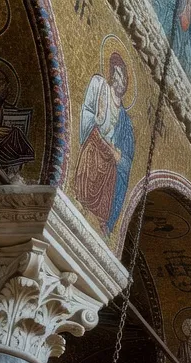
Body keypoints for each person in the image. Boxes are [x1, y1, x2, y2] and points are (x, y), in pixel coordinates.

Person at [74, 52, 135, 232]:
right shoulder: (100, 87)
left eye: (122, 77)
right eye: (116, 76)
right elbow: (88, 112)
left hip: (109, 156)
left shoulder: (125, 119)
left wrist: (116, 154)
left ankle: (102, 218)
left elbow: (126, 157)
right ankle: (81, 199)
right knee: (93, 159)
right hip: (94, 144)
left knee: (111, 171)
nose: (119, 81)